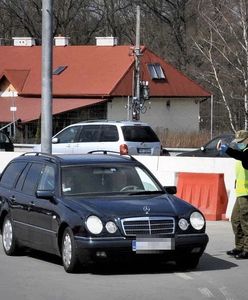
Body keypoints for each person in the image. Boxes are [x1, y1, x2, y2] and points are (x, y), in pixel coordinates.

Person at [218, 130, 248, 259]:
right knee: (236, 220)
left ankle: (247, 249)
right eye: (238, 142)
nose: (239, 144)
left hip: (247, 193)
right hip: (241, 192)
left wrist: (228, 150)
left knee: (245, 222)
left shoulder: (246, 153)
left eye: (241, 142)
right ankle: (239, 246)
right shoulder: (243, 152)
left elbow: (244, 159)